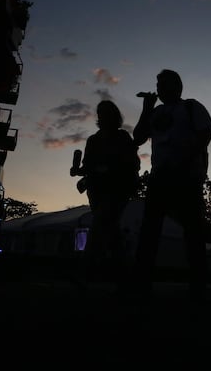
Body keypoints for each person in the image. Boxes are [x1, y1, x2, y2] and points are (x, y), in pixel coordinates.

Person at [131, 69, 211, 302]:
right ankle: (142, 282)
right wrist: (147, 108)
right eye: (158, 84)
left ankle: (198, 284)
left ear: (177, 86)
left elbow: (205, 135)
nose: (159, 89)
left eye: (164, 84)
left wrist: (185, 161)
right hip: (160, 175)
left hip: (187, 175)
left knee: (193, 230)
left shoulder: (191, 106)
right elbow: (138, 138)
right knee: (150, 229)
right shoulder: (156, 111)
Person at [70, 100, 140, 288]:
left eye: (106, 113)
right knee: (111, 230)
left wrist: (110, 170)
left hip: (117, 190)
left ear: (114, 116)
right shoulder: (93, 140)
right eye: (100, 113)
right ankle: (125, 276)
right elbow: (88, 166)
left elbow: (133, 163)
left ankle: (85, 271)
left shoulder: (123, 138)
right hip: (97, 192)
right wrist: (79, 172)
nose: (103, 116)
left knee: (100, 224)